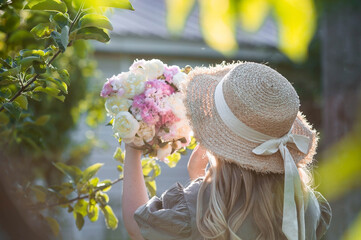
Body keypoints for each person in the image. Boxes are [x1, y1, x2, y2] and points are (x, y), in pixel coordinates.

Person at [121, 62, 332, 240]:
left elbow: (136, 223)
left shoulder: (199, 205)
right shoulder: (305, 205)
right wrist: (200, 177)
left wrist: (133, 145)